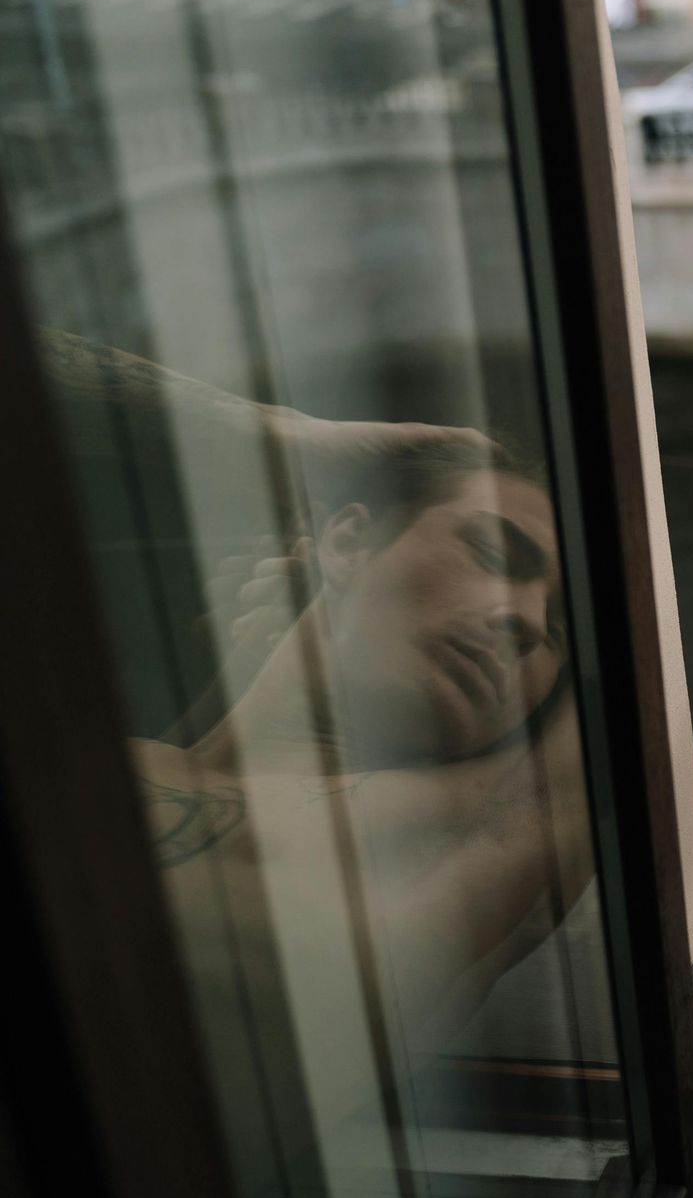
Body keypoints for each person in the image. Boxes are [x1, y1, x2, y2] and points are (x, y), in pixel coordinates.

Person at [42, 331, 591, 1049]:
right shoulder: (89, 761)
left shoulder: (469, 834)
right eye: (492, 553)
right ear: (345, 540)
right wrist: (276, 434)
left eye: (557, 632)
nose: (521, 620)